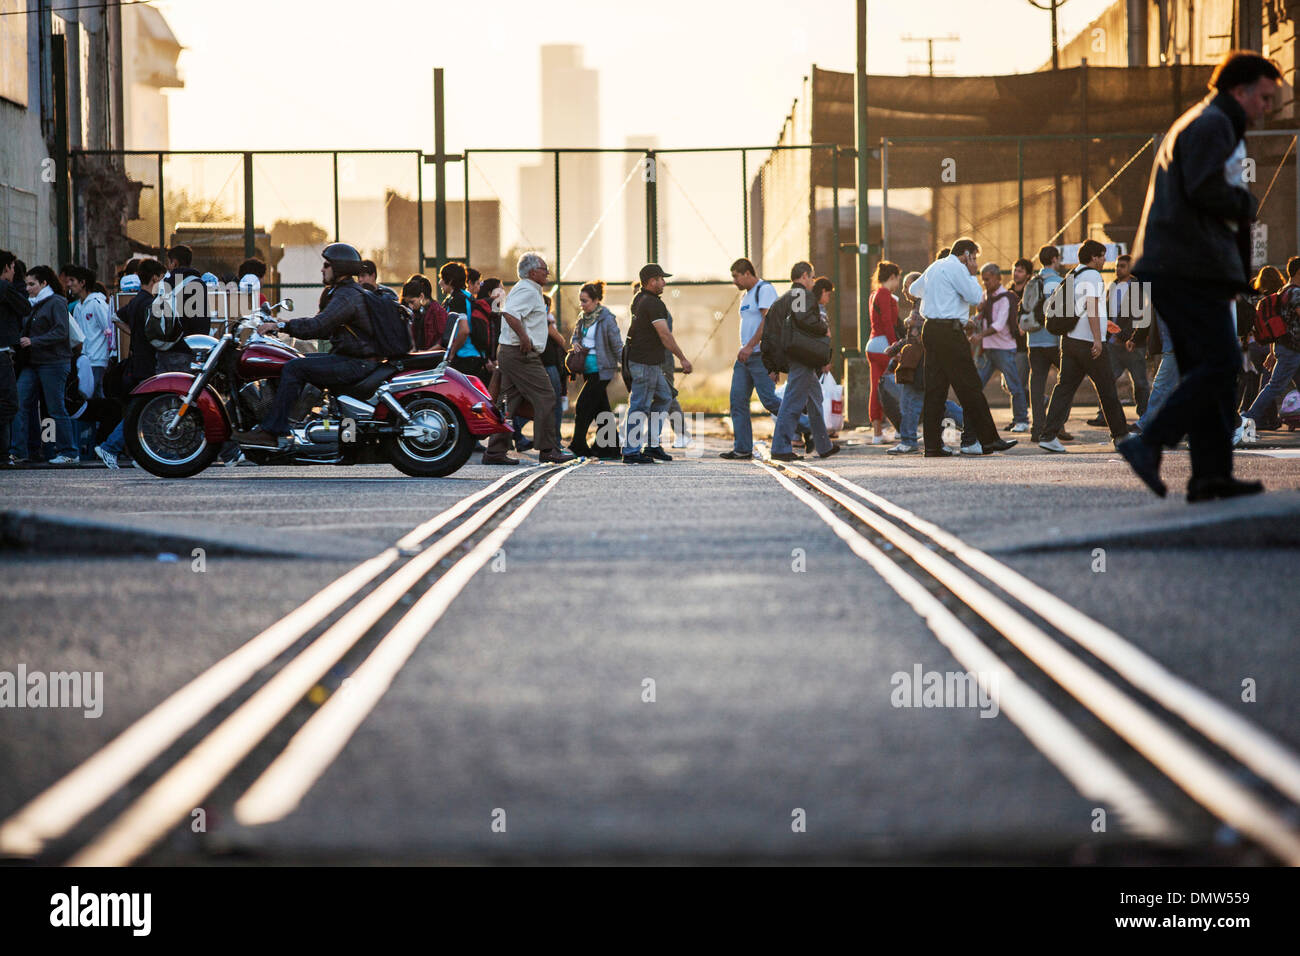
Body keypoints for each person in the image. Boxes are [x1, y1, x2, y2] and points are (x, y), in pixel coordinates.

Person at [1119, 50, 1282, 502]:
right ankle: (1148, 442)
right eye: (1265, 98)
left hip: (1183, 264)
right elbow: (1204, 187)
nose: (1269, 108)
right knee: (1221, 363)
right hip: (1186, 266)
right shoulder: (1214, 124)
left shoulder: (1209, 120)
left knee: (1208, 369)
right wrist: (1245, 203)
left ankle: (1210, 477)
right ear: (1240, 90)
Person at [230, 243, 384, 449]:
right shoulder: (344, 292)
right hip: (352, 358)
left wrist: (281, 325)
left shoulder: (347, 296)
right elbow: (321, 324)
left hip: (355, 362)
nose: (322, 269)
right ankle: (290, 419)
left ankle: (274, 429)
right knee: (294, 361)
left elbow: (318, 326)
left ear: (339, 268)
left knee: (294, 367)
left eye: (327, 265)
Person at [911, 238, 1017, 458]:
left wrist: (939, 296)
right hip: (950, 333)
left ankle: (933, 446)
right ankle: (989, 440)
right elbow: (977, 297)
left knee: (935, 390)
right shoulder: (958, 268)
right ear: (967, 255)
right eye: (974, 258)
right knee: (970, 386)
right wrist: (969, 273)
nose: (975, 263)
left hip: (930, 330)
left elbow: (914, 289)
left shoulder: (936, 266)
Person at [482, 253, 575, 465]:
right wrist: (524, 337)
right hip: (521, 353)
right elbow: (510, 313)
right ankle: (548, 449)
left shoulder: (527, 289)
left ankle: (495, 451)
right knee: (546, 396)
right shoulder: (527, 290)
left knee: (508, 402)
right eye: (544, 268)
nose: (548, 272)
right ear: (533, 272)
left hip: (511, 352)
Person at [1037, 240, 1129, 451]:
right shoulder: (1093, 276)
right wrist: (1098, 339)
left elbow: (1082, 310)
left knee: (1064, 389)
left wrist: (1104, 324)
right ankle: (1121, 436)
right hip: (1088, 343)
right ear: (1094, 257)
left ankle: (1048, 435)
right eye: (1102, 256)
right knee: (1107, 389)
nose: (1105, 260)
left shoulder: (1074, 274)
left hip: (1069, 342)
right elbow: (1092, 307)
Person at [95, 258, 166, 468]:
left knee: (144, 411)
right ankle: (110, 447)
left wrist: (133, 332)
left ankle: (141, 454)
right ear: (155, 278)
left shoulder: (136, 301)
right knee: (143, 412)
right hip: (148, 364)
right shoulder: (150, 303)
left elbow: (116, 318)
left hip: (136, 363)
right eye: (161, 278)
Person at [621, 264, 692, 464]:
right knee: (639, 405)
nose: (664, 283)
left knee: (664, 397)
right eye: (661, 279)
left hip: (647, 362)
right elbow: (664, 334)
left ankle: (652, 445)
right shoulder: (653, 303)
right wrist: (682, 358)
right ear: (652, 281)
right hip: (645, 363)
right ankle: (631, 451)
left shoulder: (639, 298)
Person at [10, 266, 78, 463]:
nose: (28, 288)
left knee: (56, 408)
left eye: (32, 284)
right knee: (19, 403)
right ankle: (19, 451)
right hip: (34, 362)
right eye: (27, 284)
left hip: (54, 363)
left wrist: (34, 341)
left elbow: (61, 331)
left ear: (44, 283)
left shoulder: (55, 302)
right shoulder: (33, 304)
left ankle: (69, 452)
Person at [771, 276, 840, 461]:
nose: (812, 280)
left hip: (803, 356)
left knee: (816, 399)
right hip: (801, 356)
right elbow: (802, 321)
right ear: (803, 277)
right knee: (792, 403)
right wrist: (822, 328)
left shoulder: (793, 295)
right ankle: (780, 447)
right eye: (811, 276)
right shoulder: (800, 294)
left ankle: (824, 446)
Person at [722, 257, 781, 459]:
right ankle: (742, 448)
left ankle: (808, 426)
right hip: (745, 357)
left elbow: (768, 321)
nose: (734, 282)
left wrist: (750, 346)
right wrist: (745, 349)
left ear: (747, 273)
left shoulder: (764, 290)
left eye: (736, 277)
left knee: (769, 401)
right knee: (737, 400)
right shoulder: (745, 296)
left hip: (759, 356)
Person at [1236, 255, 1300, 442]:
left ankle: (1246, 419)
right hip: (1291, 349)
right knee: (1274, 387)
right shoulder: (1295, 293)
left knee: (1273, 386)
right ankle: (1246, 420)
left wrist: (1273, 352)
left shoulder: (1283, 291)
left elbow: (1279, 325)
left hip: (1286, 347)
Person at [1085, 253, 1149, 426]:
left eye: (1122, 266)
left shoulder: (1139, 287)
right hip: (1114, 345)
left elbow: (1141, 315)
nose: (1118, 269)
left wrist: (1128, 336)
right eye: (1116, 266)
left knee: (1141, 383)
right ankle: (1103, 415)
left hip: (1133, 345)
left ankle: (1144, 418)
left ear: (1130, 268)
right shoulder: (1112, 286)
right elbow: (1107, 313)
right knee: (1106, 379)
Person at [971, 262, 1030, 434]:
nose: (985, 283)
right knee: (976, 385)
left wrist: (980, 336)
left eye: (988, 280)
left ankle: (1021, 419)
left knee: (1014, 385)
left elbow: (998, 324)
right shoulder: (985, 295)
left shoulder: (1005, 297)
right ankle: (971, 419)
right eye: (983, 280)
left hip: (1004, 348)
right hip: (988, 349)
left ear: (998, 279)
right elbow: (980, 316)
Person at [568, 280, 623, 459]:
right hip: (587, 369)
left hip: (603, 369)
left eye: (585, 301)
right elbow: (575, 337)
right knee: (602, 409)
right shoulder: (582, 318)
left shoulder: (607, 318)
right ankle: (611, 448)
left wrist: (627, 365)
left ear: (596, 300)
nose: (582, 305)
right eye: (581, 301)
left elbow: (616, 345)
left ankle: (578, 444)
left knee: (583, 404)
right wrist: (575, 344)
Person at [1024, 245, 1073, 444]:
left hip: (1033, 340)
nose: (1060, 261)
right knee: (1068, 381)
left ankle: (1037, 428)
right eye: (1058, 258)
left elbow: (1026, 307)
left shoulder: (1033, 281)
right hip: (1054, 340)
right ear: (1053, 259)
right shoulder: (1058, 282)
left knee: (1036, 384)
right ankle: (1058, 424)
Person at [866, 261, 901, 444]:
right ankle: (900, 429)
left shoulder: (874, 295)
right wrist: (895, 347)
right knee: (895, 387)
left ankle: (877, 434)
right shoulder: (885, 295)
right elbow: (888, 323)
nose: (898, 284)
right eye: (898, 279)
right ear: (893, 277)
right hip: (884, 346)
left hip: (873, 345)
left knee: (876, 389)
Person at [0, 250, 30, 464]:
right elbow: (24, 306)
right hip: (1, 353)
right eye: (12, 268)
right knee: (9, 402)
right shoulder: (4, 288)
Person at [67, 266, 113, 399]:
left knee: (94, 396)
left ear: (82, 283)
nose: (69, 284)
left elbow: (109, 330)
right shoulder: (78, 307)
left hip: (97, 359)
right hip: (84, 360)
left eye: (72, 280)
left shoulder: (97, 304)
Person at [439, 261, 487, 379]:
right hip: (474, 354)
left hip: (465, 356)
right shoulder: (467, 296)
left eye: (441, 278)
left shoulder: (457, 299)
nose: (439, 282)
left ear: (449, 281)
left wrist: (452, 352)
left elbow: (464, 330)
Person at [401, 274, 448, 352]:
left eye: (412, 302)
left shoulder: (437, 311)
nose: (411, 306)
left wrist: (426, 352)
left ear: (421, 296)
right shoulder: (418, 313)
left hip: (431, 358)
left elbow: (442, 341)